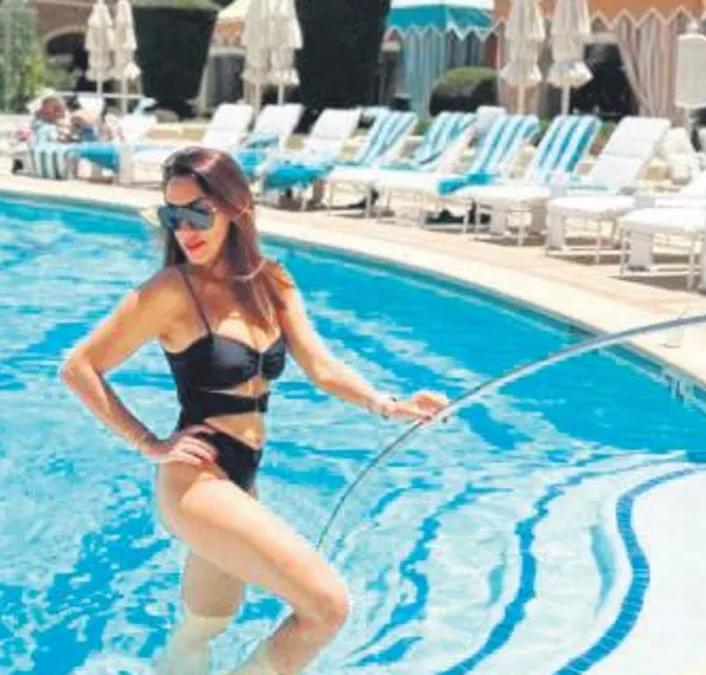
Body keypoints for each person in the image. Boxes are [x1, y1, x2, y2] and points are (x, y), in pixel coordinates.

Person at [59, 147, 448, 674]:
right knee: (327, 606)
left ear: (235, 207)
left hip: (242, 477)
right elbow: (79, 367)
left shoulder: (273, 282)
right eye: (174, 216)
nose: (185, 231)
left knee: (206, 623)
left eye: (198, 214)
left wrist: (389, 404)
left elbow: (322, 367)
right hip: (197, 482)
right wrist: (148, 443)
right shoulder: (172, 291)